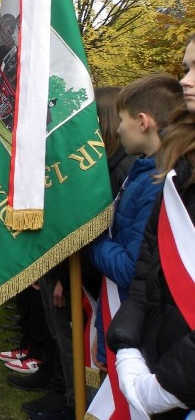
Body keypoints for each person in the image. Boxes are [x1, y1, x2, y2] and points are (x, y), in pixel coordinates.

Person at [107, 36, 195, 419]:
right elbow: (147, 267)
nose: (186, 81)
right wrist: (128, 340)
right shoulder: (178, 168)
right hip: (161, 347)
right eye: (187, 67)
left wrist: (167, 386)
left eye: (194, 69)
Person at [88, 75, 183, 370]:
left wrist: (91, 239)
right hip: (123, 315)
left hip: (136, 326)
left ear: (143, 122)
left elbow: (131, 269)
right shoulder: (144, 171)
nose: (116, 128)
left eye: (121, 119)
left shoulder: (156, 182)